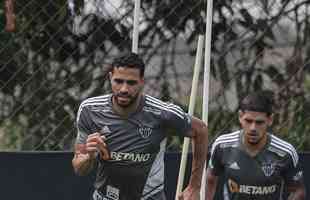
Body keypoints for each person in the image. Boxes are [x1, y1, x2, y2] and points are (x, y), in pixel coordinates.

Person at [72, 52, 208, 200]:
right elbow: (79, 168)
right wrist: (89, 157)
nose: (124, 89)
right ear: (110, 78)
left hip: (149, 196)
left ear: (142, 82)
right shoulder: (90, 110)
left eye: (131, 83)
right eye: (118, 81)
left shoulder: (163, 113)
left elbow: (200, 130)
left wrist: (194, 186)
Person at [205, 90, 306, 200]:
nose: (253, 128)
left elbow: (298, 190)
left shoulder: (285, 152)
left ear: (270, 120)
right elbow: (210, 180)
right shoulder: (222, 145)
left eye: (259, 122)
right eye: (248, 121)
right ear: (240, 117)